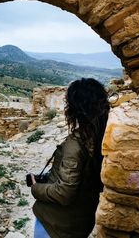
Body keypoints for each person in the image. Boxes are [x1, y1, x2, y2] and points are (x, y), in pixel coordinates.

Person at [31, 78, 110, 238]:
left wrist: (35, 187)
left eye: (68, 104)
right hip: (81, 222)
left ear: (76, 108)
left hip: (54, 224)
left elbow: (64, 193)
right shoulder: (104, 137)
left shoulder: (76, 143)